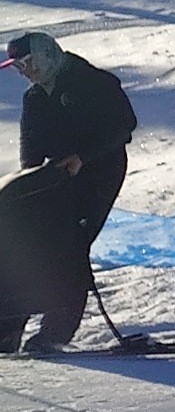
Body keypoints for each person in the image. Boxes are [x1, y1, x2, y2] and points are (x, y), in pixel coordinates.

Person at [6, 33, 133, 353]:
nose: (25, 72)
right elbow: (30, 155)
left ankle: (56, 330)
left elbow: (123, 124)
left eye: (27, 63)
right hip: (55, 180)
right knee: (23, 247)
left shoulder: (91, 81)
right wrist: (26, 185)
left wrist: (83, 156)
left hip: (97, 175)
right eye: (19, 68)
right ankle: (8, 327)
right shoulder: (34, 99)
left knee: (71, 247)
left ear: (46, 54)